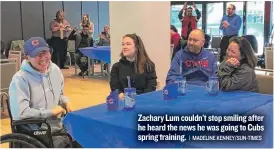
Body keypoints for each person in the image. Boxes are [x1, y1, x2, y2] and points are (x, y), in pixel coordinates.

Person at [8, 37, 81, 148]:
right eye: (37, 54)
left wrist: (66, 102)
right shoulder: (20, 80)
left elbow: (59, 94)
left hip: (58, 126)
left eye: (44, 52)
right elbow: (20, 113)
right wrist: (50, 112)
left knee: (88, 137)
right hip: (37, 132)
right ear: (27, 57)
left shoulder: (55, 70)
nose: (42, 58)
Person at [110, 34, 157, 99]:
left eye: (128, 44)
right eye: (123, 44)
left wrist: (141, 98)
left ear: (137, 46)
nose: (124, 47)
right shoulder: (116, 67)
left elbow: (151, 85)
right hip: (123, 101)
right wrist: (122, 96)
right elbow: (114, 87)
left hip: (144, 101)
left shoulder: (149, 65)